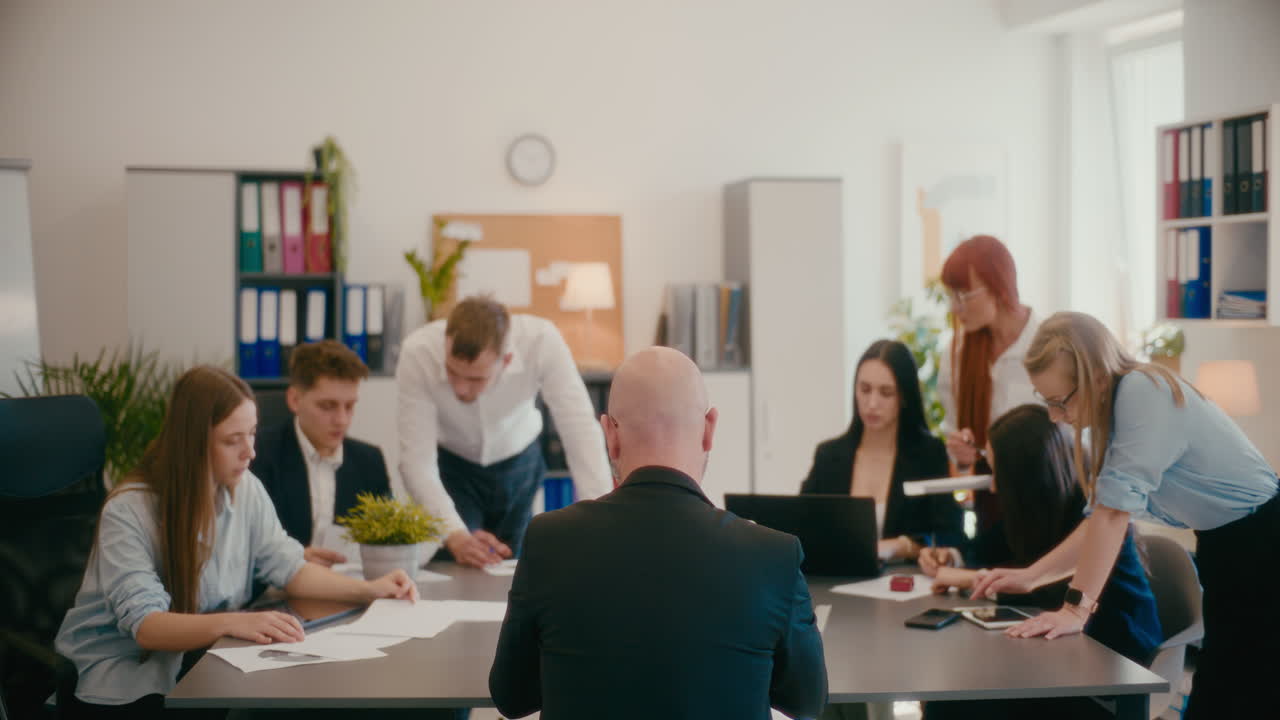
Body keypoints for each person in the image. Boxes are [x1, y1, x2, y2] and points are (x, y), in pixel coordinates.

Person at [54, 366, 417, 718]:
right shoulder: (130, 510)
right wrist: (233, 623)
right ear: (193, 444)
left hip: (203, 661)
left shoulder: (245, 489)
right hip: (122, 683)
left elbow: (289, 566)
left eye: (252, 434)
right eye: (233, 440)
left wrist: (370, 590)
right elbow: (147, 627)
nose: (250, 452)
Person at [489, 347, 827, 720]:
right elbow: (805, 701)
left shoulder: (548, 540)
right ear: (709, 429)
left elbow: (512, 697)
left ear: (610, 434)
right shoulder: (773, 556)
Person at [970, 312, 1279, 718]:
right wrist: (1032, 577)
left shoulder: (1143, 391)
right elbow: (1100, 518)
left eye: (1060, 402)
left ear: (1096, 376)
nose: (1055, 416)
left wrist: (1076, 609)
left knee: (1243, 696)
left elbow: (1113, 516)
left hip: (1264, 543)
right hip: (1229, 547)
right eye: (1046, 402)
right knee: (1222, 696)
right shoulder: (1116, 414)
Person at [920, 404, 1162, 720]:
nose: (993, 486)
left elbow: (1049, 595)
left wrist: (969, 579)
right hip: (1063, 663)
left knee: (956, 701)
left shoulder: (1094, 523)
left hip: (1109, 676)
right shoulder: (1043, 510)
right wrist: (952, 558)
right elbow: (991, 548)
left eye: (998, 473)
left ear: (1027, 478)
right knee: (951, 696)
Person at [397, 296, 611, 568]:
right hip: (453, 467)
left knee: (514, 567)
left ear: (506, 359)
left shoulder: (541, 340)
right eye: (452, 372)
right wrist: (454, 535)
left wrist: (600, 517)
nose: (460, 389)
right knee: (457, 563)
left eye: (475, 378)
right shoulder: (418, 352)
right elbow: (416, 461)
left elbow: (579, 428)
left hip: (519, 462)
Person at [801, 339, 963, 562]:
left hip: (906, 584)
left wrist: (903, 545)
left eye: (886, 393)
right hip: (835, 582)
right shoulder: (829, 455)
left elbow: (951, 535)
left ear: (904, 397)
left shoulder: (928, 454)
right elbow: (801, 526)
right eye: (865, 389)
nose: (872, 403)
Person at [252, 340, 392, 566]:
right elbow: (248, 547)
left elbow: (386, 538)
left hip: (349, 589)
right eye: (327, 406)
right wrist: (293, 557)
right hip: (277, 591)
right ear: (294, 400)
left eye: (350, 406)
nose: (342, 420)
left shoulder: (369, 461)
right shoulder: (259, 454)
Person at [936, 235, 1041, 540]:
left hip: (1048, 506)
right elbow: (958, 444)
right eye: (951, 296)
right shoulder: (956, 354)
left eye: (964, 295)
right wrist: (961, 453)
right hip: (992, 510)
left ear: (999, 288)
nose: (956, 307)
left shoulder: (1047, 346)